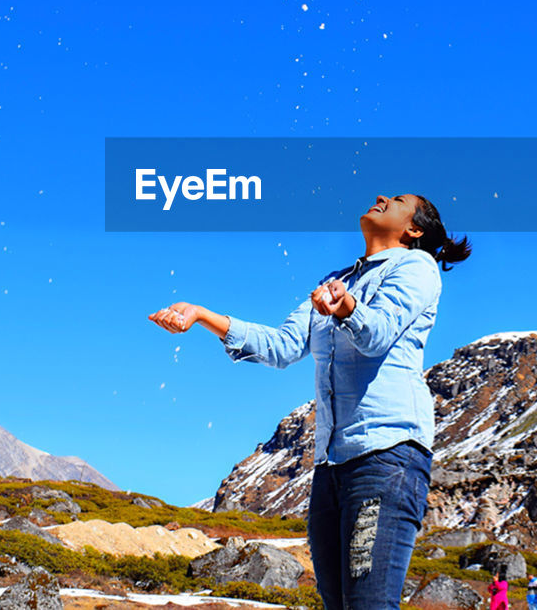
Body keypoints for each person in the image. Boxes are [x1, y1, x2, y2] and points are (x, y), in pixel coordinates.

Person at [149, 193, 471, 610]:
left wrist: (348, 308)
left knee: (369, 604)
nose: (379, 198)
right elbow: (282, 346)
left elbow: (378, 333)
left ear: (414, 229)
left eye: (396, 200)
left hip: (386, 457)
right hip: (331, 466)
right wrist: (204, 316)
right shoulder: (336, 278)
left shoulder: (416, 267)